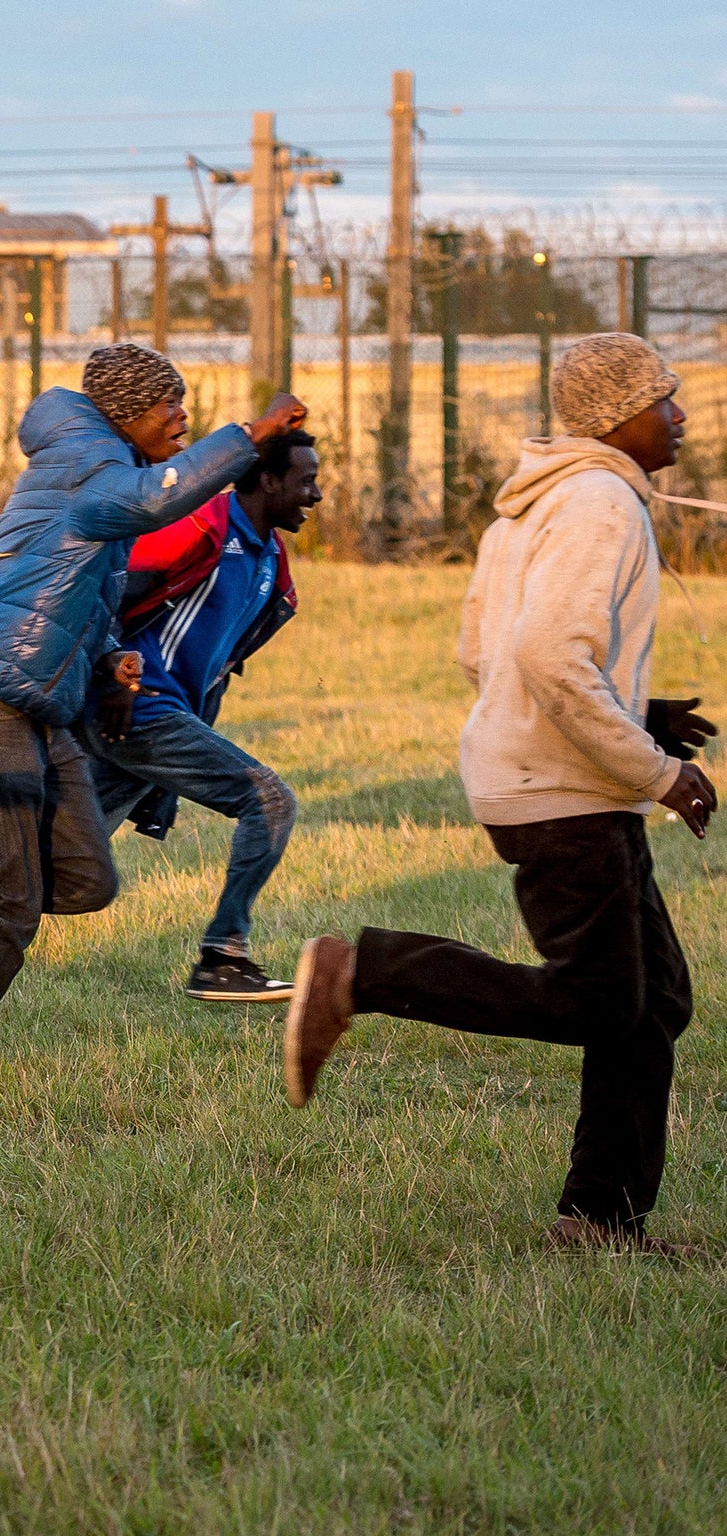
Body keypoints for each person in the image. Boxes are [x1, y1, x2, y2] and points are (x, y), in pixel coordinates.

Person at [284, 334, 714, 1256]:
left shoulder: (532, 508)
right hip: (565, 791)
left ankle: (600, 1220)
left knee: (653, 1003)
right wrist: (657, 770)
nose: (680, 414)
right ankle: (362, 972)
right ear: (617, 417)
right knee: (602, 1002)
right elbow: (544, 656)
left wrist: (640, 711)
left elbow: (484, 654)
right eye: (665, 398)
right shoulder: (602, 504)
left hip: (555, 779)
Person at [0, 343, 306, 1108]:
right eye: (171, 405)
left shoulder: (92, 465)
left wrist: (109, 660)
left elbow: (71, 595)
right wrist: (250, 436)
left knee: (86, 880)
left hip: (40, 701)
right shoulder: (93, 468)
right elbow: (161, 496)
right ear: (128, 413)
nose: (181, 417)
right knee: (7, 909)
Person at [70, 429, 319, 1003]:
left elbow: (216, 669)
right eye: (305, 481)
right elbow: (103, 591)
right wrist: (111, 671)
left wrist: (170, 780)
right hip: (136, 709)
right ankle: (223, 957)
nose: (316, 494)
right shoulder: (202, 526)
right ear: (268, 480)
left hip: (159, 720)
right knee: (270, 800)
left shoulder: (273, 568)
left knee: (60, 858)